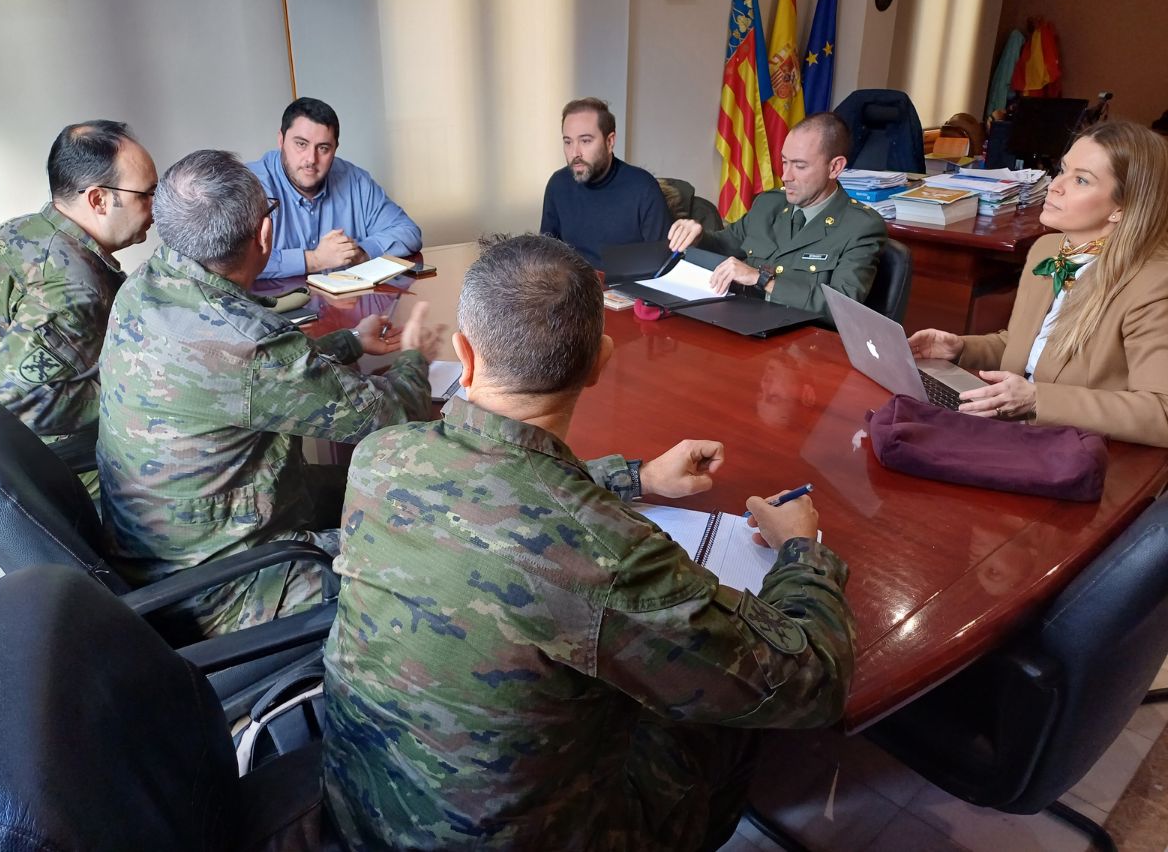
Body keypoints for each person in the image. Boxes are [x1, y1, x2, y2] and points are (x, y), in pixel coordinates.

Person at [324, 234, 856, 851]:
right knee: (714, 713)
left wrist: (639, 478)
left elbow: (499, 496)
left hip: (362, 811)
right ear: (601, 359)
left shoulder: (380, 457)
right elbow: (812, 681)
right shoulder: (610, 554)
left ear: (465, 356)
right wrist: (802, 553)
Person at [97, 150, 443, 637]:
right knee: (438, 562)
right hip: (227, 585)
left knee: (370, 483)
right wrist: (414, 356)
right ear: (264, 234)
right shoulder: (248, 343)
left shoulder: (147, 284)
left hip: (160, 547)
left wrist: (348, 342)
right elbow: (386, 416)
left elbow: (238, 375)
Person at [908, 120, 1168, 447]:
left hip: (1081, 451)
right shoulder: (1048, 249)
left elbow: (1162, 412)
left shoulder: (1154, 284)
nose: (1056, 186)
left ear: (1121, 208)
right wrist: (961, 349)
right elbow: (1025, 348)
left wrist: (1036, 399)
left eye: (1081, 180)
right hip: (1013, 429)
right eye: (1063, 170)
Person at [0, 120, 156, 494]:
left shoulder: (17, 231)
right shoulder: (75, 288)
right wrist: (136, 386)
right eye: (146, 194)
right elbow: (22, 404)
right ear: (99, 200)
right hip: (69, 471)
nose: (155, 206)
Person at [667, 112, 885, 323]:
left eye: (800, 166)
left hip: (803, 345)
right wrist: (697, 237)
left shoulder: (860, 226)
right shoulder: (769, 204)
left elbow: (844, 309)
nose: (786, 176)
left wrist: (762, 279)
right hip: (743, 326)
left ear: (835, 167)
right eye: (784, 162)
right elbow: (724, 245)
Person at [248, 97, 421, 278]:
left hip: (345, 303)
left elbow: (408, 231)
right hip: (271, 304)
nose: (311, 159)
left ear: (335, 149)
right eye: (301, 144)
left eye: (323, 148)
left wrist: (361, 252)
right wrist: (314, 260)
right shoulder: (250, 185)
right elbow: (231, 261)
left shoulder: (355, 181)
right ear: (281, 140)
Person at [540, 97, 671, 269]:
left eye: (585, 141)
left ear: (610, 142)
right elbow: (545, 256)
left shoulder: (643, 187)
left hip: (627, 291)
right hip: (575, 289)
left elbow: (664, 264)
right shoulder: (558, 185)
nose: (575, 153)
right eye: (568, 142)